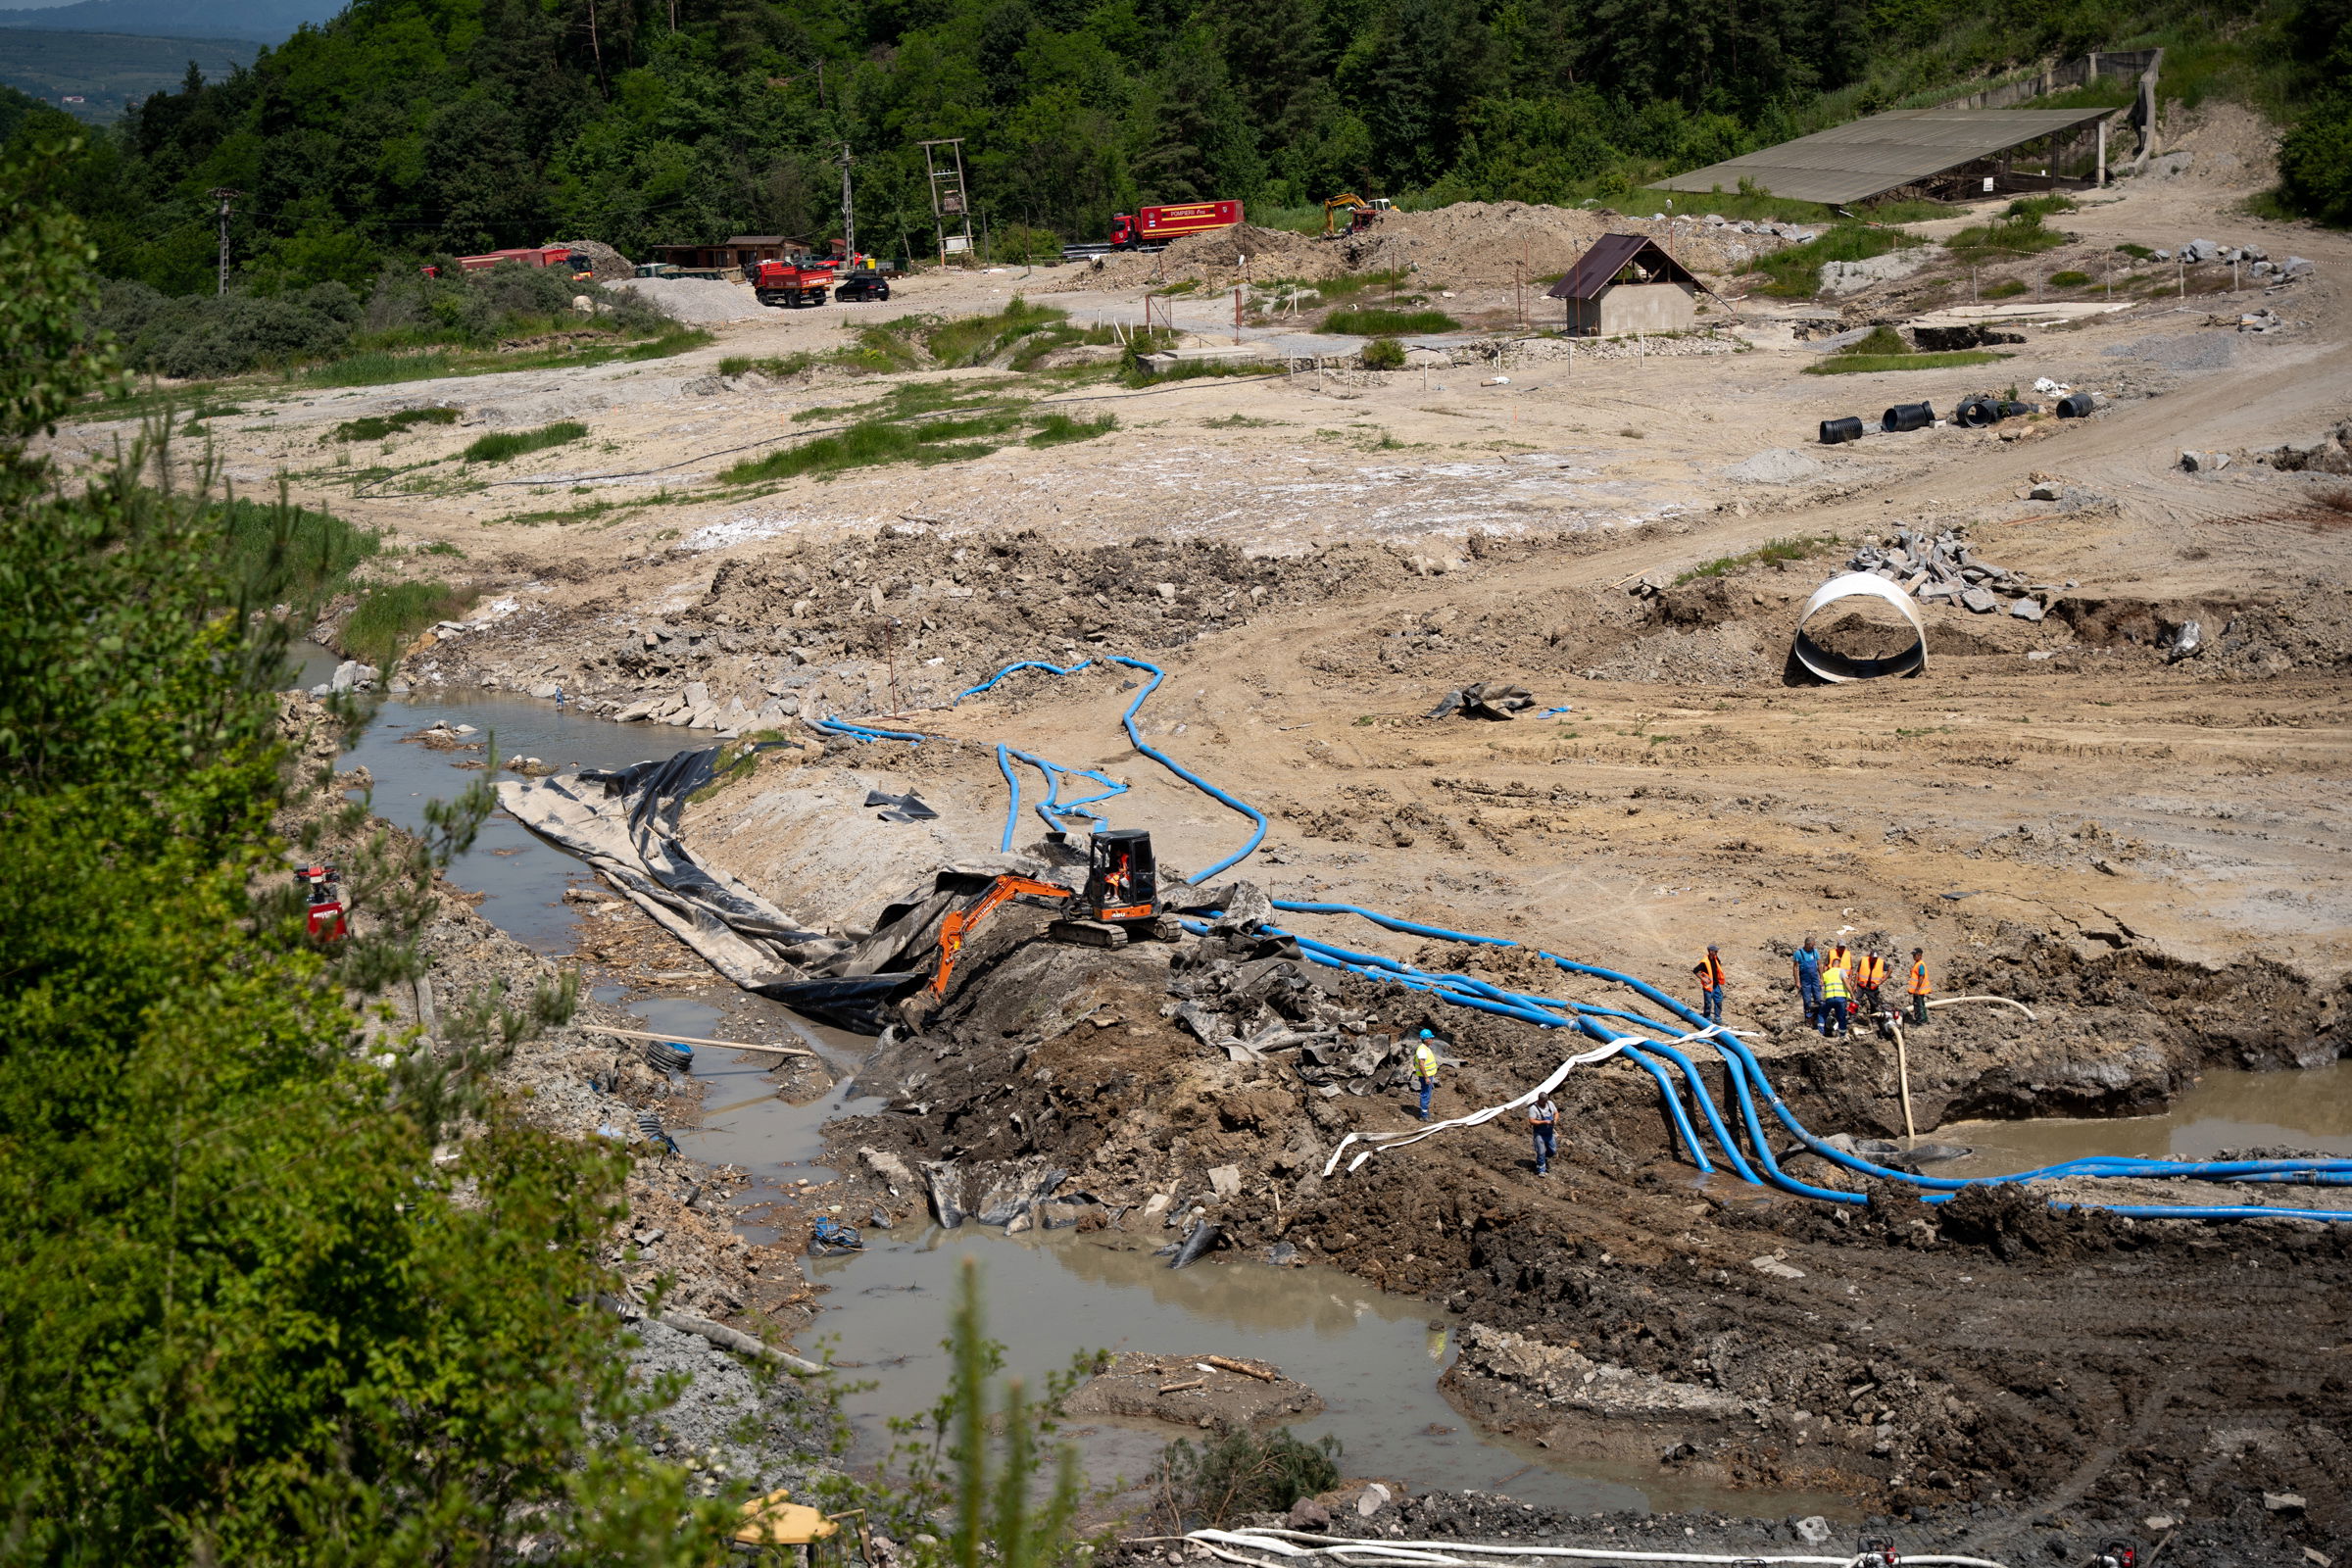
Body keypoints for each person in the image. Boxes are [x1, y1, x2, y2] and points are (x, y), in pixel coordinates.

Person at [1790, 939, 1824, 1028]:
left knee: (1818, 998)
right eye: (1812, 945)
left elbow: (1819, 965)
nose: (1813, 947)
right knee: (1807, 1000)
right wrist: (1797, 981)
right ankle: (1808, 1019)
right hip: (1805, 980)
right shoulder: (1798, 953)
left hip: (1815, 979)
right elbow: (1795, 968)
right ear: (1807, 944)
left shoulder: (1815, 952)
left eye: (1814, 945)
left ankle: (1818, 1018)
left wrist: (1821, 978)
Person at [1693, 945, 1727, 1024]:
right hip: (1708, 987)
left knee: (1718, 1001)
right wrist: (1703, 978)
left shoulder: (1716, 959)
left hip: (1716, 985)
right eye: (1715, 951)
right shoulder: (1704, 962)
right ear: (1711, 951)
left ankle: (1717, 1018)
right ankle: (1706, 1019)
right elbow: (1695, 970)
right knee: (1708, 1003)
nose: (1717, 952)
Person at [1412, 1030, 1441, 1120]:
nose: (1432, 1040)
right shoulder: (1422, 1050)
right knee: (1426, 1094)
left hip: (1428, 1075)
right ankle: (1424, 1116)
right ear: (1426, 1039)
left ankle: (1424, 1113)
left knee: (1427, 1094)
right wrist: (1426, 1077)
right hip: (1426, 1076)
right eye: (1430, 1038)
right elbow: (1421, 1064)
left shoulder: (1425, 1048)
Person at [1855, 949, 1887, 1028]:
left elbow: (1890, 969)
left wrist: (1884, 978)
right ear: (1870, 956)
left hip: (1873, 987)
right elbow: (1857, 972)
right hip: (1861, 985)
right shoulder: (1863, 960)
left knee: (1874, 1004)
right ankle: (1852, 1017)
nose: (1874, 960)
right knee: (1855, 1000)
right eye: (1873, 958)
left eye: (1875, 958)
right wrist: (1855, 985)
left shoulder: (1881, 962)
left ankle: (1873, 1019)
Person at [1528, 1091, 1558, 1175]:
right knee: (1541, 1151)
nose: (1545, 1103)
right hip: (1539, 1134)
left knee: (1553, 1150)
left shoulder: (1550, 1104)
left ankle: (1544, 1159)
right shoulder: (1533, 1108)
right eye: (1543, 1101)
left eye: (1546, 1101)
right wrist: (1544, 1122)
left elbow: (1556, 1113)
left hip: (1549, 1133)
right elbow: (1531, 1121)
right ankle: (1541, 1170)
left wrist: (1555, 1120)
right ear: (1539, 1100)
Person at [1819, 960, 1851, 1037]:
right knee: (1841, 1016)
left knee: (1822, 1014)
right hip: (1840, 998)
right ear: (1839, 964)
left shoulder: (1826, 973)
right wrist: (1852, 995)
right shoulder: (1841, 971)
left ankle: (1820, 1032)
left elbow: (1821, 985)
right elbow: (1846, 983)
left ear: (1832, 965)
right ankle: (1842, 1035)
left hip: (1829, 998)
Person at [1907, 948, 1932, 1026]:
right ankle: (1924, 1019)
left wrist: (1917, 989)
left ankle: (1919, 1021)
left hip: (1919, 990)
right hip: (1918, 990)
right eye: (1913, 955)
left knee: (1918, 1006)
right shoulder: (1917, 963)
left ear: (1919, 955)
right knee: (1921, 1005)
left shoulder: (1920, 965)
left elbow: (1921, 977)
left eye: (1915, 955)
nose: (1913, 956)